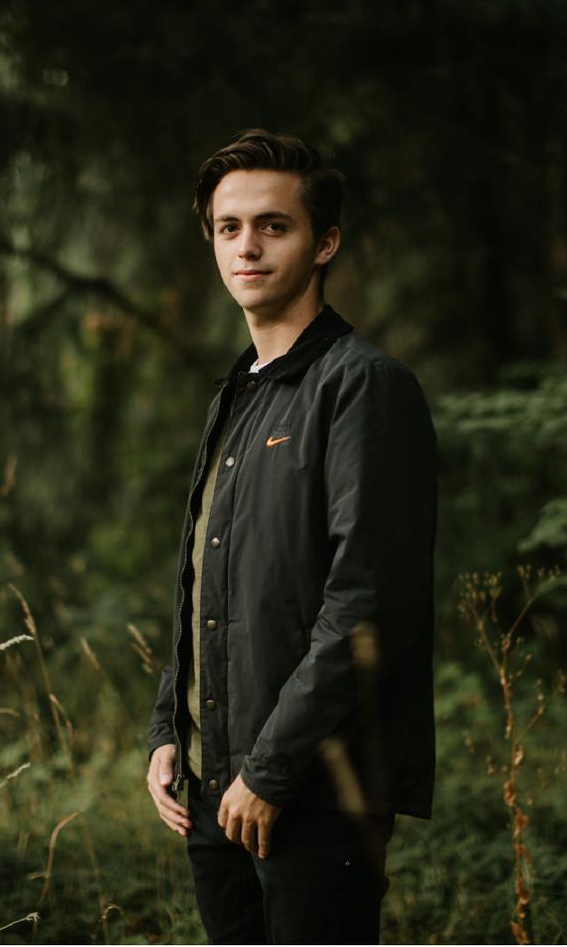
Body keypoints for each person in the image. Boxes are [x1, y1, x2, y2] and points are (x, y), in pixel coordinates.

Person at [145, 129, 436, 944]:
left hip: (315, 795)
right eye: (228, 227)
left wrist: (269, 773)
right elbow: (210, 583)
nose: (247, 245)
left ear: (324, 242)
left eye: (274, 225)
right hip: (215, 795)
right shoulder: (237, 394)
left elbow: (368, 603)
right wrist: (170, 729)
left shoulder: (364, 387)